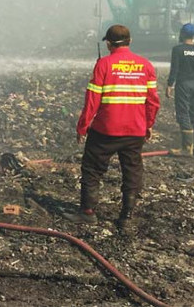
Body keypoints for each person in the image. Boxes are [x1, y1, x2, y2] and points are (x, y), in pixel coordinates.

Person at [65, 25, 160, 231]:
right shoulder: (146, 65)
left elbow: (92, 101)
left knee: (92, 170)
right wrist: (148, 124)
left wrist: (82, 126)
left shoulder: (103, 65)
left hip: (105, 131)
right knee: (132, 172)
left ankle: (88, 213)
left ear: (108, 43)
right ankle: (126, 216)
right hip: (135, 131)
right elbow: (153, 102)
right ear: (130, 41)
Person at [166, 23, 194, 156]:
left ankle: (187, 148)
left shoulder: (178, 49)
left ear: (182, 34)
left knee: (183, 114)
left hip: (184, 85)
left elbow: (174, 69)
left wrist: (170, 85)